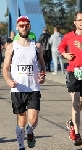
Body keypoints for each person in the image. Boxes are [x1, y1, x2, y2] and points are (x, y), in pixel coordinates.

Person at [3, 16, 45, 150]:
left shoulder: (36, 46)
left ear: (30, 27)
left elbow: (42, 64)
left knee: (33, 120)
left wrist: (42, 75)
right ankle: (21, 146)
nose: (24, 28)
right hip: (18, 88)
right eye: (21, 25)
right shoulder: (11, 47)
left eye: (26, 25)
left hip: (33, 88)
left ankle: (30, 131)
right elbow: (5, 67)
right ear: (17, 27)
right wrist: (8, 80)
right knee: (21, 120)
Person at [58, 11, 82, 146]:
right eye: (79, 20)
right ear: (75, 22)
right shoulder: (68, 36)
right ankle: (77, 135)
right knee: (76, 101)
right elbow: (60, 47)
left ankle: (72, 123)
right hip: (73, 71)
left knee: (80, 104)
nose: (81, 22)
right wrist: (65, 54)